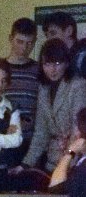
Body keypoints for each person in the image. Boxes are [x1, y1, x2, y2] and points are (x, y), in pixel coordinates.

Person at [15, 39, 86, 173]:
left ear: (67, 63)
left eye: (57, 63)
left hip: (73, 160)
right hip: (51, 159)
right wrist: (25, 164)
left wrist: (68, 161)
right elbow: (41, 131)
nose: (52, 69)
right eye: (47, 64)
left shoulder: (78, 85)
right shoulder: (44, 87)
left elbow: (78, 129)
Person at [3, 18, 38, 158]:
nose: (24, 48)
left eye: (29, 43)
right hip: (2, 140)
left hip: (30, 143)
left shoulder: (40, 70)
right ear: (10, 39)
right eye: (20, 41)